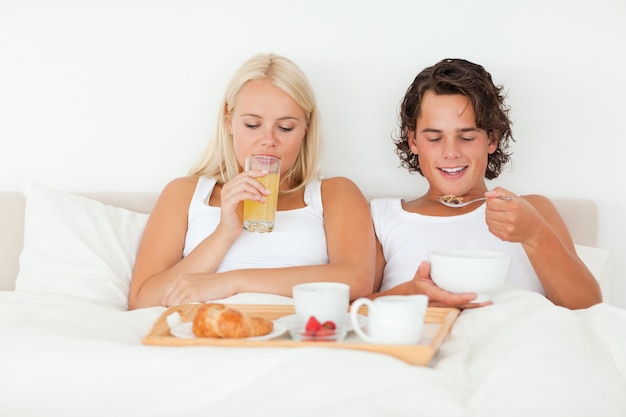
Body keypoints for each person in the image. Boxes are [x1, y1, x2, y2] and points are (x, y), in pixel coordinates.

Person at [129, 53, 376, 309]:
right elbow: (142, 301)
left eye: (285, 127)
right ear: (230, 122)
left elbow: (357, 280)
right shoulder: (185, 193)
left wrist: (233, 282)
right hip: (205, 334)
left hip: (295, 334)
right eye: (252, 124)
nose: (268, 140)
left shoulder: (335, 193)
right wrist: (224, 233)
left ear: (305, 128)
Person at [370, 58, 602, 310]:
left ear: (491, 139)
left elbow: (590, 308)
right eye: (435, 138)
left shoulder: (532, 210)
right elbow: (350, 309)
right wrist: (408, 293)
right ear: (413, 141)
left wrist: (535, 235)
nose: (450, 152)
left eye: (467, 137)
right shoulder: (381, 218)